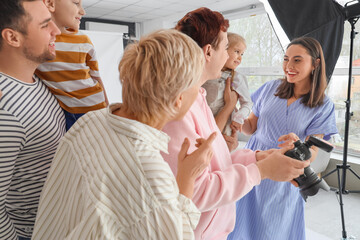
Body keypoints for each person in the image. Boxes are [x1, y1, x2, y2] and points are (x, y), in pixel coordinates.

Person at [32, 29, 218, 240]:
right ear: (179, 100)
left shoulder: (90, 121)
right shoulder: (149, 176)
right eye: (197, 84)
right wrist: (187, 179)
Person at [161, 7, 310, 240]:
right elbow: (193, 191)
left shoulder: (198, 97)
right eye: (226, 47)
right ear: (209, 52)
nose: (233, 57)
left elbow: (215, 164)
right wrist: (259, 171)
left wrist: (258, 158)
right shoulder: (179, 110)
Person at [227, 37, 338, 240]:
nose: (288, 66)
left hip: (284, 168)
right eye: (286, 59)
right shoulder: (271, 88)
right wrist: (232, 109)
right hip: (254, 158)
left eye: (297, 60)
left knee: (272, 228)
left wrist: (299, 146)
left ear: (315, 63)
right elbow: (251, 127)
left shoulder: (323, 105)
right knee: (239, 221)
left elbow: (312, 152)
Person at [0, 0, 65, 239]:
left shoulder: (39, 79)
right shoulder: (5, 112)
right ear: (12, 38)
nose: (56, 31)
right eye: (45, 25)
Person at [36, 0, 109, 131]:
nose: (83, 11)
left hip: (91, 107)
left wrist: (107, 106)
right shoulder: (37, 40)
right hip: (61, 110)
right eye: (76, 3)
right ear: (50, 3)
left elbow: (96, 76)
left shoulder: (83, 40)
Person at [202, 32, 252, 136]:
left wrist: (239, 118)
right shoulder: (205, 72)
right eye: (237, 51)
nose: (240, 58)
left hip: (224, 127)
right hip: (204, 121)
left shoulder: (237, 78)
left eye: (242, 54)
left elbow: (247, 103)